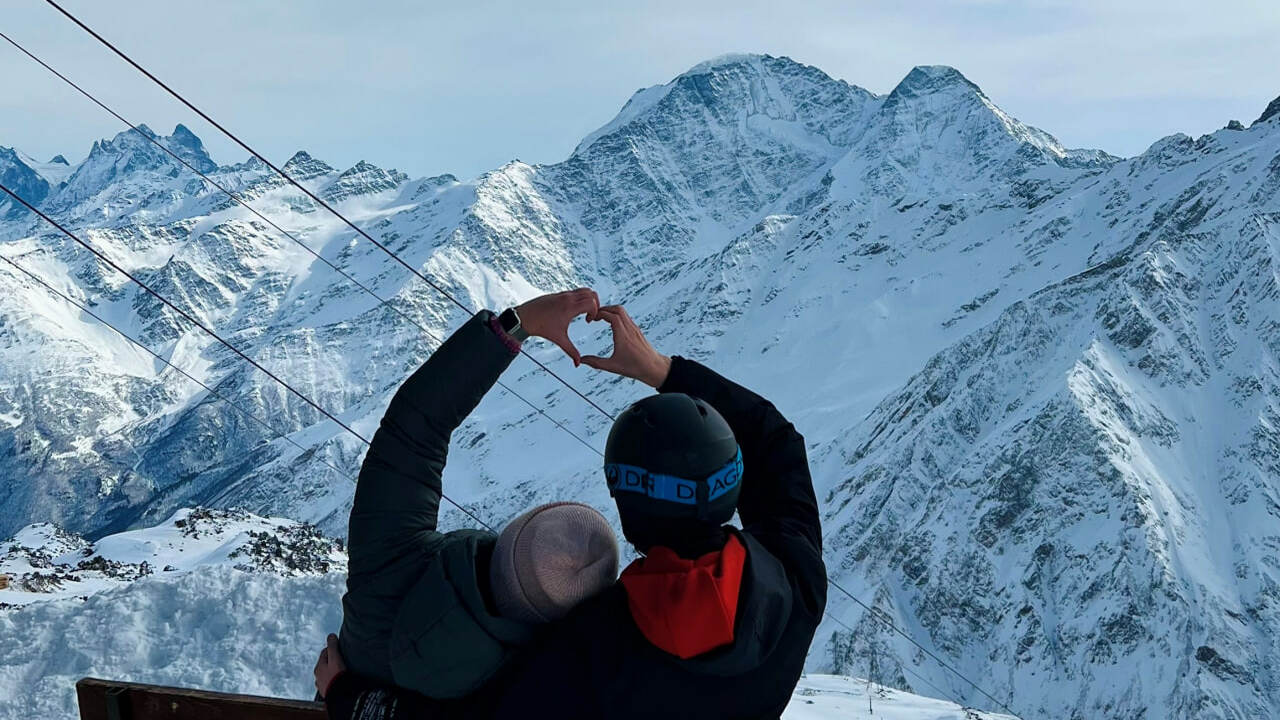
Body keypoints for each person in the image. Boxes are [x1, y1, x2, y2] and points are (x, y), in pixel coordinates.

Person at [318, 301, 827, 720]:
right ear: (732, 484)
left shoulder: (594, 649)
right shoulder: (795, 579)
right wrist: (664, 371)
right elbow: (776, 444)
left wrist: (344, 694)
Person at [313, 289, 621, 704]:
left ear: (512, 534)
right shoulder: (531, 691)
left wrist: (518, 324)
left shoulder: (390, 558)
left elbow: (415, 427)